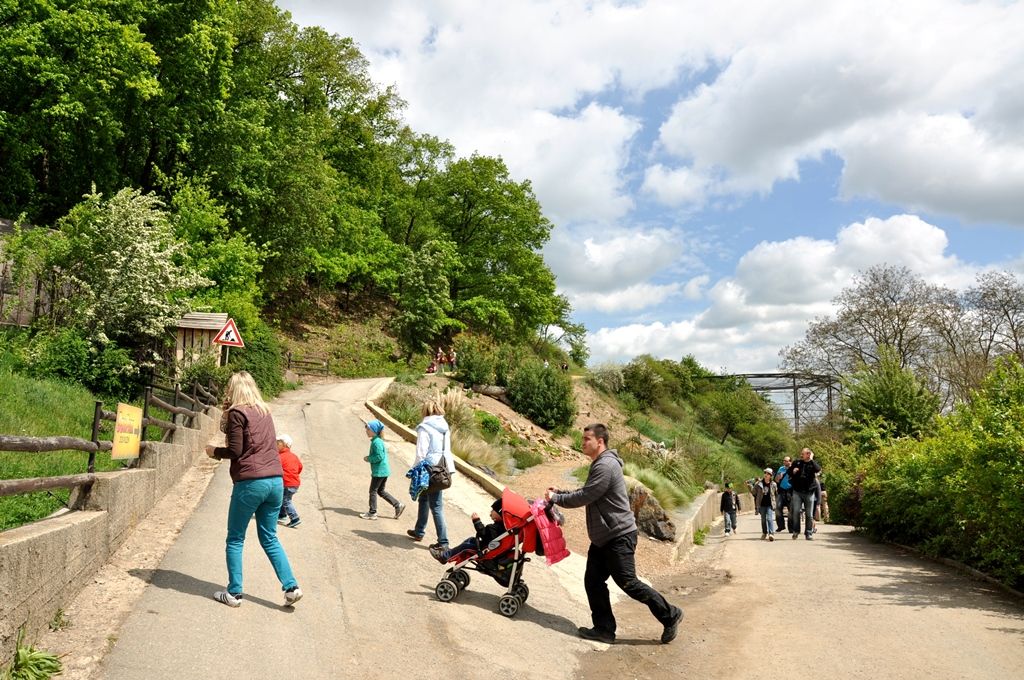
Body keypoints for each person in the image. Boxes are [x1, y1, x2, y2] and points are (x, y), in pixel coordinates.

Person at [545, 424, 683, 645]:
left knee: (628, 582)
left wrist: (556, 499)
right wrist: (560, 493)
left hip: (618, 536)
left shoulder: (606, 465)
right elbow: (587, 491)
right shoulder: (600, 464)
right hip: (604, 538)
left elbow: (587, 495)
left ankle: (670, 614)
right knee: (593, 581)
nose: (583, 443)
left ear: (600, 441)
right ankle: (604, 629)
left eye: (587, 439)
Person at [205, 371, 302, 608]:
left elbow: (236, 450)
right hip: (275, 482)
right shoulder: (264, 411)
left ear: (234, 390)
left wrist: (214, 451)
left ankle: (234, 594)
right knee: (269, 537)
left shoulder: (238, 413)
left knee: (235, 538)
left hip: (251, 482)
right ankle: (291, 587)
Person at [406, 398, 455, 548]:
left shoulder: (424, 427)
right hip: (444, 467)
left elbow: (421, 453)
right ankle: (419, 530)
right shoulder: (444, 427)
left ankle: (443, 541)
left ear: (425, 411)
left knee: (436, 505)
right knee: (424, 499)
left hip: (430, 469)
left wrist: (414, 470)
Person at [428, 498, 504, 562]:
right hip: (487, 546)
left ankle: (445, 556)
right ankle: (451, 553)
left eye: (493, 510)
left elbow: (483, 534)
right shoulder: (501, 526)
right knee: (471, 540)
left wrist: (477, 521)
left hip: (484, 549)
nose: (491, 512)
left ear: (500, 513)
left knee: (465, 547)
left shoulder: (494, 528)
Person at [360, 419, 405, 521]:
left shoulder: (376, 442)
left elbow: (379, 456)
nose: (366, 431)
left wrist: (369, 458)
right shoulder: (377, 441)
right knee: (381, 491)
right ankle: (398, 505)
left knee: (373, 491)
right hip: (383, 471)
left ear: (374, 431)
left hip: (379, 472)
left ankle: (372, 512)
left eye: (368, 429)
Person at [787, 447, 822, 540]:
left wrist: (812, 459)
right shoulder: (797, 462)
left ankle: (809, 533)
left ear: (808, 454)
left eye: (804, 453)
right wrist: (793, 471)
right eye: (802, 453)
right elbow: (788, 471)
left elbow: (818, 469)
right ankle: (796, 531)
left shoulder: (812, 463)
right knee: (796, 512)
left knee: (809, 514)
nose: (802, 455)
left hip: (809, 492)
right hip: (797, 491)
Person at [275, 434, 302, 528]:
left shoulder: (280, 457)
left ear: (285, 445)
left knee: (286, 500)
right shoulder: (294, 456)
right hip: (295, 483)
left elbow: (275, 468)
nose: (276, 445)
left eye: (278, 444)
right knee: (284, 498)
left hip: (287, 483)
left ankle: (295, 518)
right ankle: (282, 514)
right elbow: (300, 467)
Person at [751, 468, 778, 541]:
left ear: (771, 476)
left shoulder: (773, 484)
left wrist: (775, 503)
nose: (766, 475)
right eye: (765, 473)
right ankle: (764, 533)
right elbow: (754, 493)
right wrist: (751, 487)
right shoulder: (759, 484)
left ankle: (771, 534)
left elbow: (775, 494)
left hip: (769, 504)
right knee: (763, 520)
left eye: (768, 474)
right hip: (761, 504)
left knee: (769, 519)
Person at [775, 455, 793, 532]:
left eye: (786, 461)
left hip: (790, 491)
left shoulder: (793, 469)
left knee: (791, 510)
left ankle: (791, 528)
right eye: (784, 460)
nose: (784, 462)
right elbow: (776, 480)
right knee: (778, 508)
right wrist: (779, 477)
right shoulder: (781, 468)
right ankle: (781, 526)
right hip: (781, 491)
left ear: (790, 462)